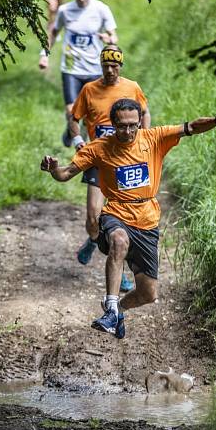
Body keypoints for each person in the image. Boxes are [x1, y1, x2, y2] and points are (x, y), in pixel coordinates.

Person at [40, 99, 216, 338]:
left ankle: (120, 310)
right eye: (122, 126)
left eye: (133, 125)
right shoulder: (98, 147)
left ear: (139, 123)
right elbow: (65, 174)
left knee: (148, 294)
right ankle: (111, 307)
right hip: (116, 212)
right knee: (119, 241)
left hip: (147, 219)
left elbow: (190, 128)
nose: (128, 131)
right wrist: (53, 168)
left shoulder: (153, 137)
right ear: (112, 124)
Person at [70, 44, 151, 292]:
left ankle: (122, 271)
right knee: (93, 218)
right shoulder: (89, 89)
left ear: (121, 66)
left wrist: (144, 140)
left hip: (126, 160)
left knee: (125, 223)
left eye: (114, 65)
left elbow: (145, 112)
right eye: (105, 65)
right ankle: (94, 239)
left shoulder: (132, 87)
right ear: (100, 65)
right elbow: (74, 120)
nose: (110, 70)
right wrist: (78, 141)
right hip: (99, 157)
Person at [37, 0, 118, 148]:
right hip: (71, 68)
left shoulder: (101, 9)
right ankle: (75, 138)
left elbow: (114, 36)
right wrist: (44, 55)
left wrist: (109, 39)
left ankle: (83, 142)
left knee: (91, 114)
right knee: (71, 111)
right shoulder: (65, 10)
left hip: (94, 69)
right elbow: (53, 33)